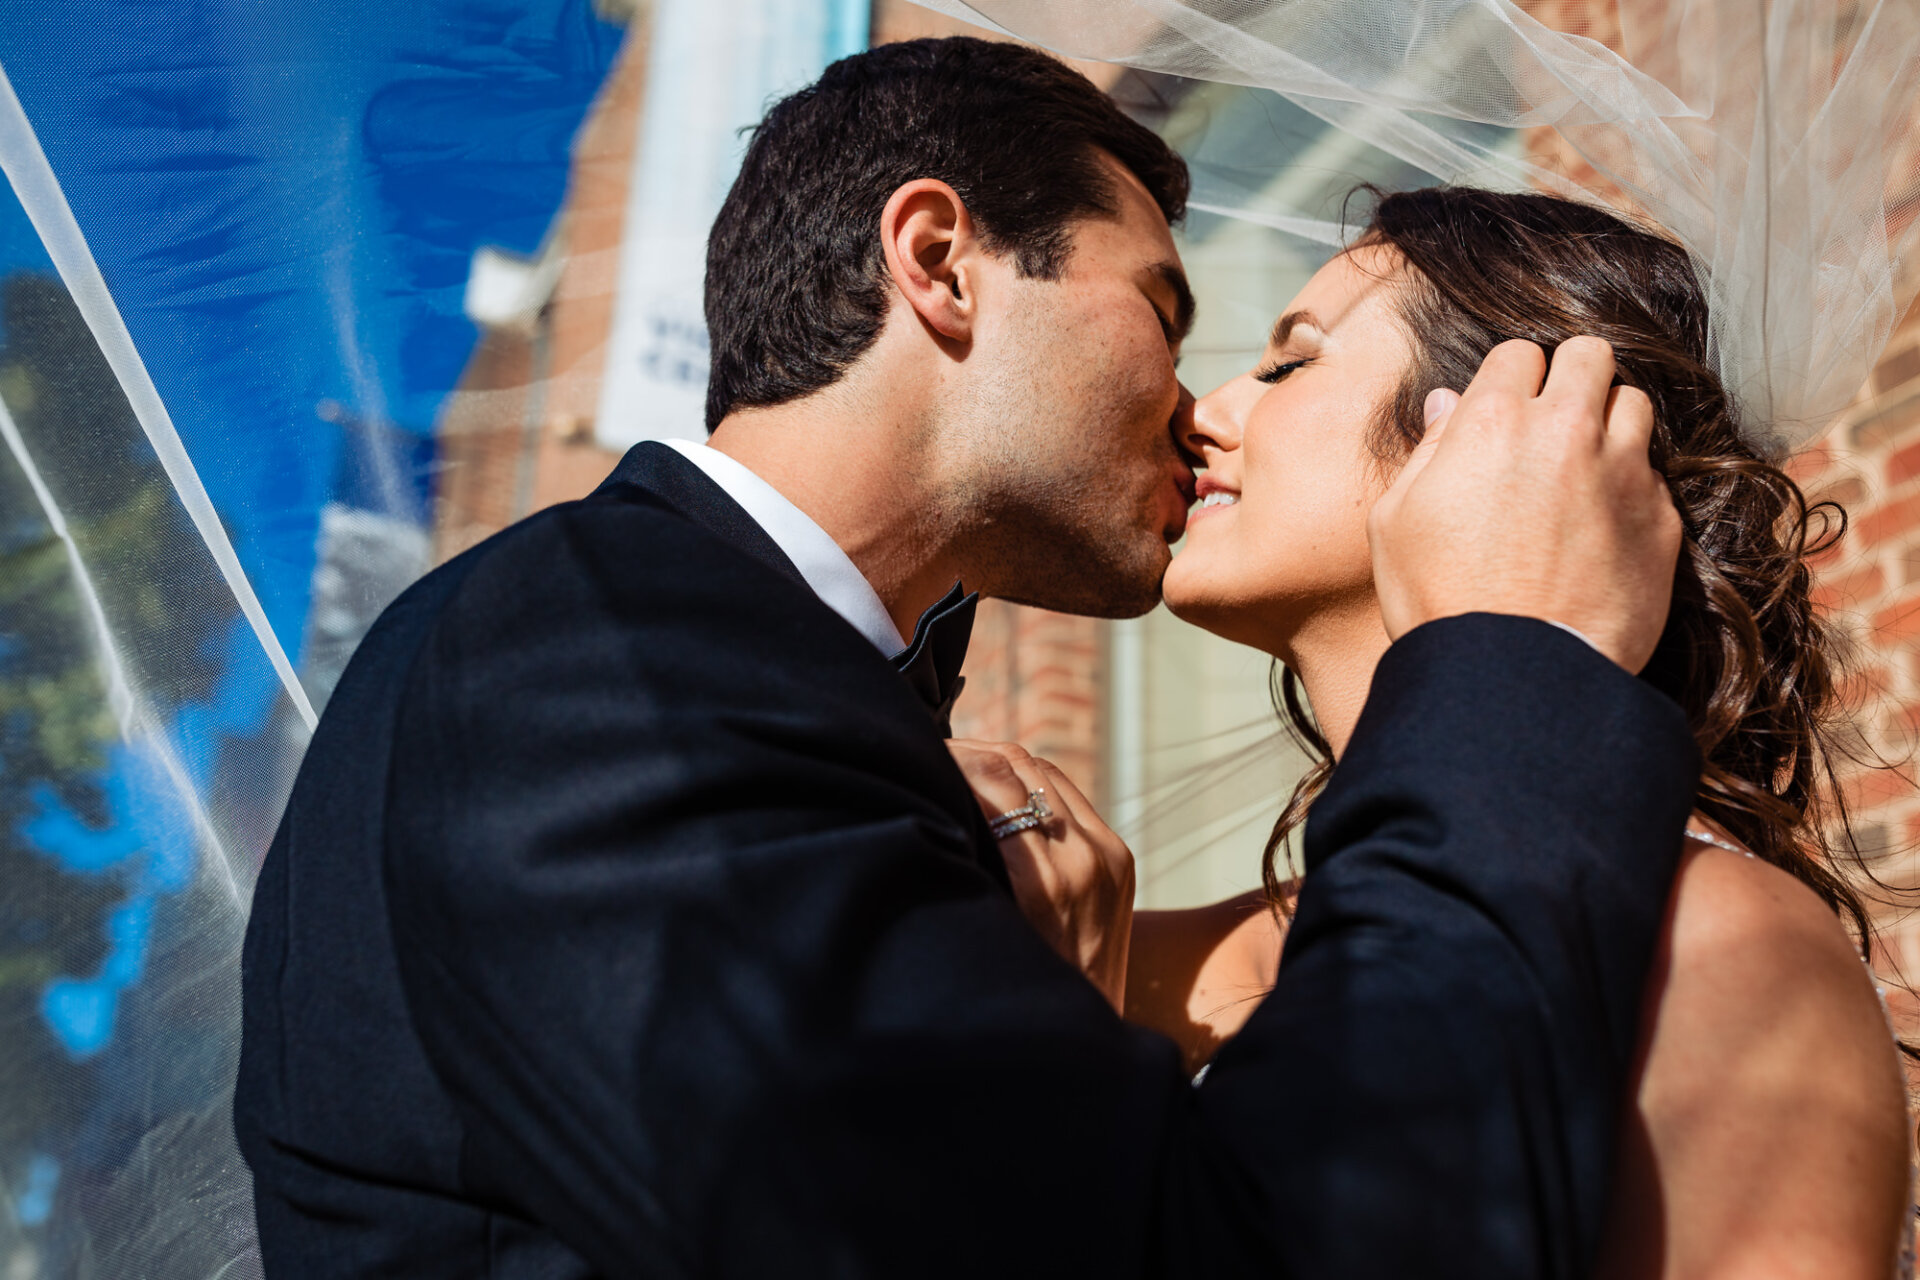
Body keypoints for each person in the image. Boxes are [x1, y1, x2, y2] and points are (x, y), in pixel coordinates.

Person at [234, 38, 1693, 1277]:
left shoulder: (709, 669)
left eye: (1283, 358)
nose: (1197, 408)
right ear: (940, 264)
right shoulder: (587, 671)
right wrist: (1513, 665)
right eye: (1165, 314)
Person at [963, 187, 1915, 1277]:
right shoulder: (1228, 942)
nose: (1206, 408)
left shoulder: (1720, 946)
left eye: (1290, 364)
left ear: (1496, 433)